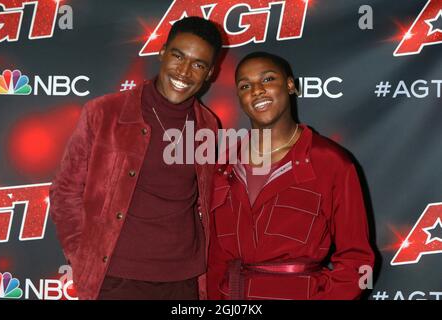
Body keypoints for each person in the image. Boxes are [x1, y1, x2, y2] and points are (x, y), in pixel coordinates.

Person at [49, 17, 223, 300]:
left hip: (184, 280)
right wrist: (81, 256)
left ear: (210, 73)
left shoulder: (207, 125)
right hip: (116, 278)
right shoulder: (105, 113)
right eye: (178, 56)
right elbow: (65, 191)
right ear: (162, 52)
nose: (185, 71)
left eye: (198, 64)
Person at [207, 52, 375, 300]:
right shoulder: (225, 165)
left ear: (290, 85)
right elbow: (215, 259)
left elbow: (357, 260)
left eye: (267, 79)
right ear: (239, 98)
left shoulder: (330, 162)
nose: (257, 90)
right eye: (245, 85)